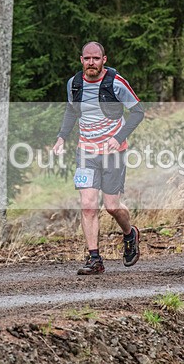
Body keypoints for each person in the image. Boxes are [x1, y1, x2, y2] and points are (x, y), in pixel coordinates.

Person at [52, 41, 145, 275]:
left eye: (95, 58)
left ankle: (129, 234)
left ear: (104, 60)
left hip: (113, 152)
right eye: (87, 58)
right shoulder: (74, 84)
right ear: (81, 60)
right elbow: (71, 111)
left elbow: (138, 112)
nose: (91, 62)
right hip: (86, 152)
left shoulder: (116, 83)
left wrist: (119, 136)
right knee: (88, 205)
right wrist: (62, 137)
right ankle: (95, 259)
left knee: (112, 207)